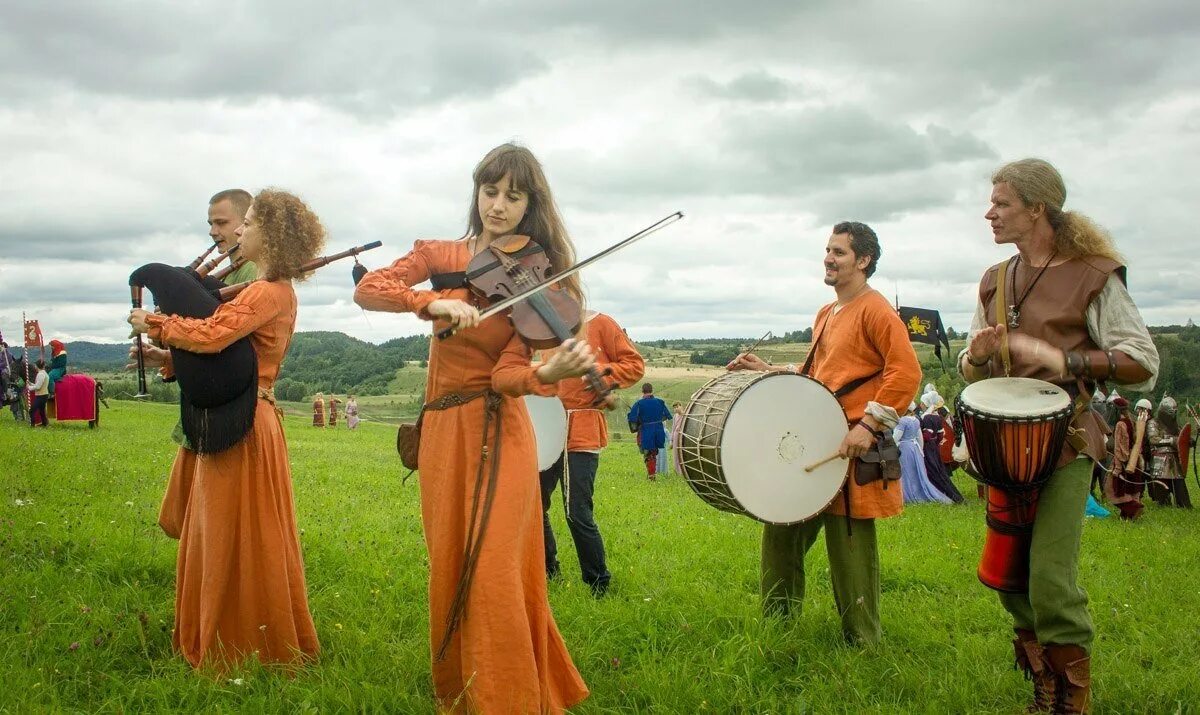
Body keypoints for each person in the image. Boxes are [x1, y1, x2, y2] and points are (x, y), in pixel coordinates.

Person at [353, 143, 592, 712]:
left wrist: (546, 371)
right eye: (490, 191)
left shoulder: (534, 280)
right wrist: (430, 303)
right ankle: (461, 685)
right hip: (442, 433)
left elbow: (508, 375)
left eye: (514, 196)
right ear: (477, 192)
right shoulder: (440, 254)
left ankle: (506, 693)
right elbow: (368, 289)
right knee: (452, 560)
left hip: (500, 431)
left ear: (532, 205)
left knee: (495, 565)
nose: (499, 206)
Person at [961, 158, 1158, 712]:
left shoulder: (1093, 272)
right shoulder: (995, 279)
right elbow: (971, 370)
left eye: (1001, 203)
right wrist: (974, 359)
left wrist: (1063, 358)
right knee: (1006, 576)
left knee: (1050, 579)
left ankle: (1071, 700)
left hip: (1067, 442)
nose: (990, 212)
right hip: (1004, 448)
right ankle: (1044, 682)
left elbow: (1142, 359)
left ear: (1037, 208)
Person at [128, 188, 323, 670]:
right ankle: (242, 636)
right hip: (251, 416)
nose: (242, 231)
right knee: (234, 531)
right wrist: (168, 358)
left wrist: (153, 322)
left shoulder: (265, 291)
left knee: (233, 533)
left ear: (272, 236)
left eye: (251, 223)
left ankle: (236, 646)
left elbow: (215, 335)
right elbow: (232, 360)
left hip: (244, 424)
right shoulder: (273, 291)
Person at [728, 220, 921, 646]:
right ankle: (778, 627)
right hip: (816, 439)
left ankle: (863, 642)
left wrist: (868, 426)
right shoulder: (826, 312)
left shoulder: (876, 309)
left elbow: (906, 372)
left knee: (849, 544)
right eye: (828, 251)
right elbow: (816, 377)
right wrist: (769, 371)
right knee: (780, 526)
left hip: (849, 444)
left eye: (839, 252)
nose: (829, 259)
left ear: (864, 260)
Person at [133, 189, 265, 540]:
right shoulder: (226, 273)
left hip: (234, 406)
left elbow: (228, 347)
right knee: (198, 511)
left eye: (222, 222)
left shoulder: (252, 275)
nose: (214, 231)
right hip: (215, 401)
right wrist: (166, 356)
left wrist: (161, 326)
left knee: (218, 517)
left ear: (246, 224)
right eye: (210, 223)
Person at [540, 310, 645, 596]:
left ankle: (598, 583)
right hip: (545, 426)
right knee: (534, 507)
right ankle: (548, 572)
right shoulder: (540, 324)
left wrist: (605, 374)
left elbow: (634, 365)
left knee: (577, 511)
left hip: (582, 425)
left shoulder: (601, 322)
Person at [895, 403, 950, 504]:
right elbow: (919, 437)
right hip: (914, 447)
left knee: (906, 472)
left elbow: (896, 437)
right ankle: (917, 491)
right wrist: (920, 449)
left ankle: (906, 494)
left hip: (904, 447)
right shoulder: (916, 420)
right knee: (915, 471)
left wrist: (894, 446)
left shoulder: (902, 421)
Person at [1102, 397, 1146, 520]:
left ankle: (1134, 508)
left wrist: (1118, 465)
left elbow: (1120, 446)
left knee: (1113, 489)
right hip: (1134, 459)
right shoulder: (1131, 420)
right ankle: (1126, 516)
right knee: (1130, 489)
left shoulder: (1121, 424)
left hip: (1125, 462)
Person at [1145, 396, 1192, 508]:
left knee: (1180, 489)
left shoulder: (1175, 425)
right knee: (1163, 496)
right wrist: (1171, 440)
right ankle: (1164, 503)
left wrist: (1189, 440)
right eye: (1171, 412)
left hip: (1175, 461)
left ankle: (1183, 504)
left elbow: (1182, 438)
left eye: (1175, 412)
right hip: (1160, 460)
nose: (1173, 415)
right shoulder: (1153, 423)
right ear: (1163, 412)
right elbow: (1153, 439)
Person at [208, 188, 260, 284]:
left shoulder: (254, 269)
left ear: (245, 221)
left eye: (221, 222)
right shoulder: (228, 275)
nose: (212, 232)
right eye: (211, 224)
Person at [626, 383, 672, 480]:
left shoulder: (639, 403)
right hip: (659, 431)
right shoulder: (660, 402)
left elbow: (633, 419)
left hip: (646, 431)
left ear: (642, 391)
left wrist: (640, 419)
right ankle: (651, 474)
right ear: (652, 390)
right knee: (653, 453)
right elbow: (667, 416)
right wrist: (656, 420)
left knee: (648, 453)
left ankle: (651, 475)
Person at [920, 405, 965, 504]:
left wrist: (917, 441)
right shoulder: (937, 416)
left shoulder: (926, 417)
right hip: (934, 447)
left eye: (923, 403)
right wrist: (935, 444)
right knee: (939, 472)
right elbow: (940, 435)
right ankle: (952, 494)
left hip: (927, 447)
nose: (921, 404)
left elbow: (927, 436)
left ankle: (941, 493)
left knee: (933, 472)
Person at [29, 359, 49, 427]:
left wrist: (29, 387)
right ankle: (44, 424)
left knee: (32, 410)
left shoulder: (40, 374)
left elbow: (38, 387)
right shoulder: (44, 373)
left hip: (41, 396)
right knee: (41, 411)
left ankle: (32, 425)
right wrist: (31, 384)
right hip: (43, 395)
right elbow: (38, 384)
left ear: (36, 366)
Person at [670, 400, 685, 474]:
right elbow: (673, 428)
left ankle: (682, 470)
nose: (676, 409)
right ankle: (676, 470)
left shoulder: (685, 415)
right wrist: (671, 441)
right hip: (676, 436)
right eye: (674, 408)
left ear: (681, 406)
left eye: (677, 407)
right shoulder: (675, 416)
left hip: (682, 436)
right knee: (675, 453)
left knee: (681, 453)